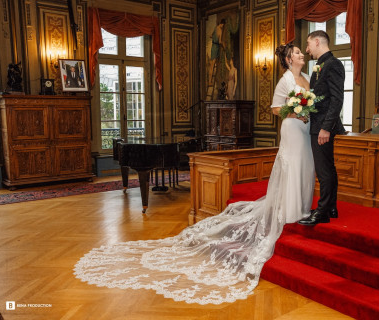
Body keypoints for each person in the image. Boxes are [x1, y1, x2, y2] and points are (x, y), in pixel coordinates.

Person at [74, 43, 315, 305]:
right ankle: (288, 211)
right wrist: (296, 110)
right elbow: (276, 108)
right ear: (289, 58)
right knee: (291, 166)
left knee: (304, 168)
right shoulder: (285, 80)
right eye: (298, 52)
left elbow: (308, 102)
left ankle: (300, 207)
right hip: (292, 129)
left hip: (305, 130)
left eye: (303, 51)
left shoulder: (307, 77)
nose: (302, 54)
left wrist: (307, 111)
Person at [298, 30, 346, 226]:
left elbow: (337, 100)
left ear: (317, 42)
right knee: (327, 167)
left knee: (324, 169)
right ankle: (331, 207)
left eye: (309, 44)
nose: (307, 50)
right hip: (318, 124)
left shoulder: (333, 64)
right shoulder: (320, 65)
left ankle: (323, 211)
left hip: (323, 127)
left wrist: (326, 128)